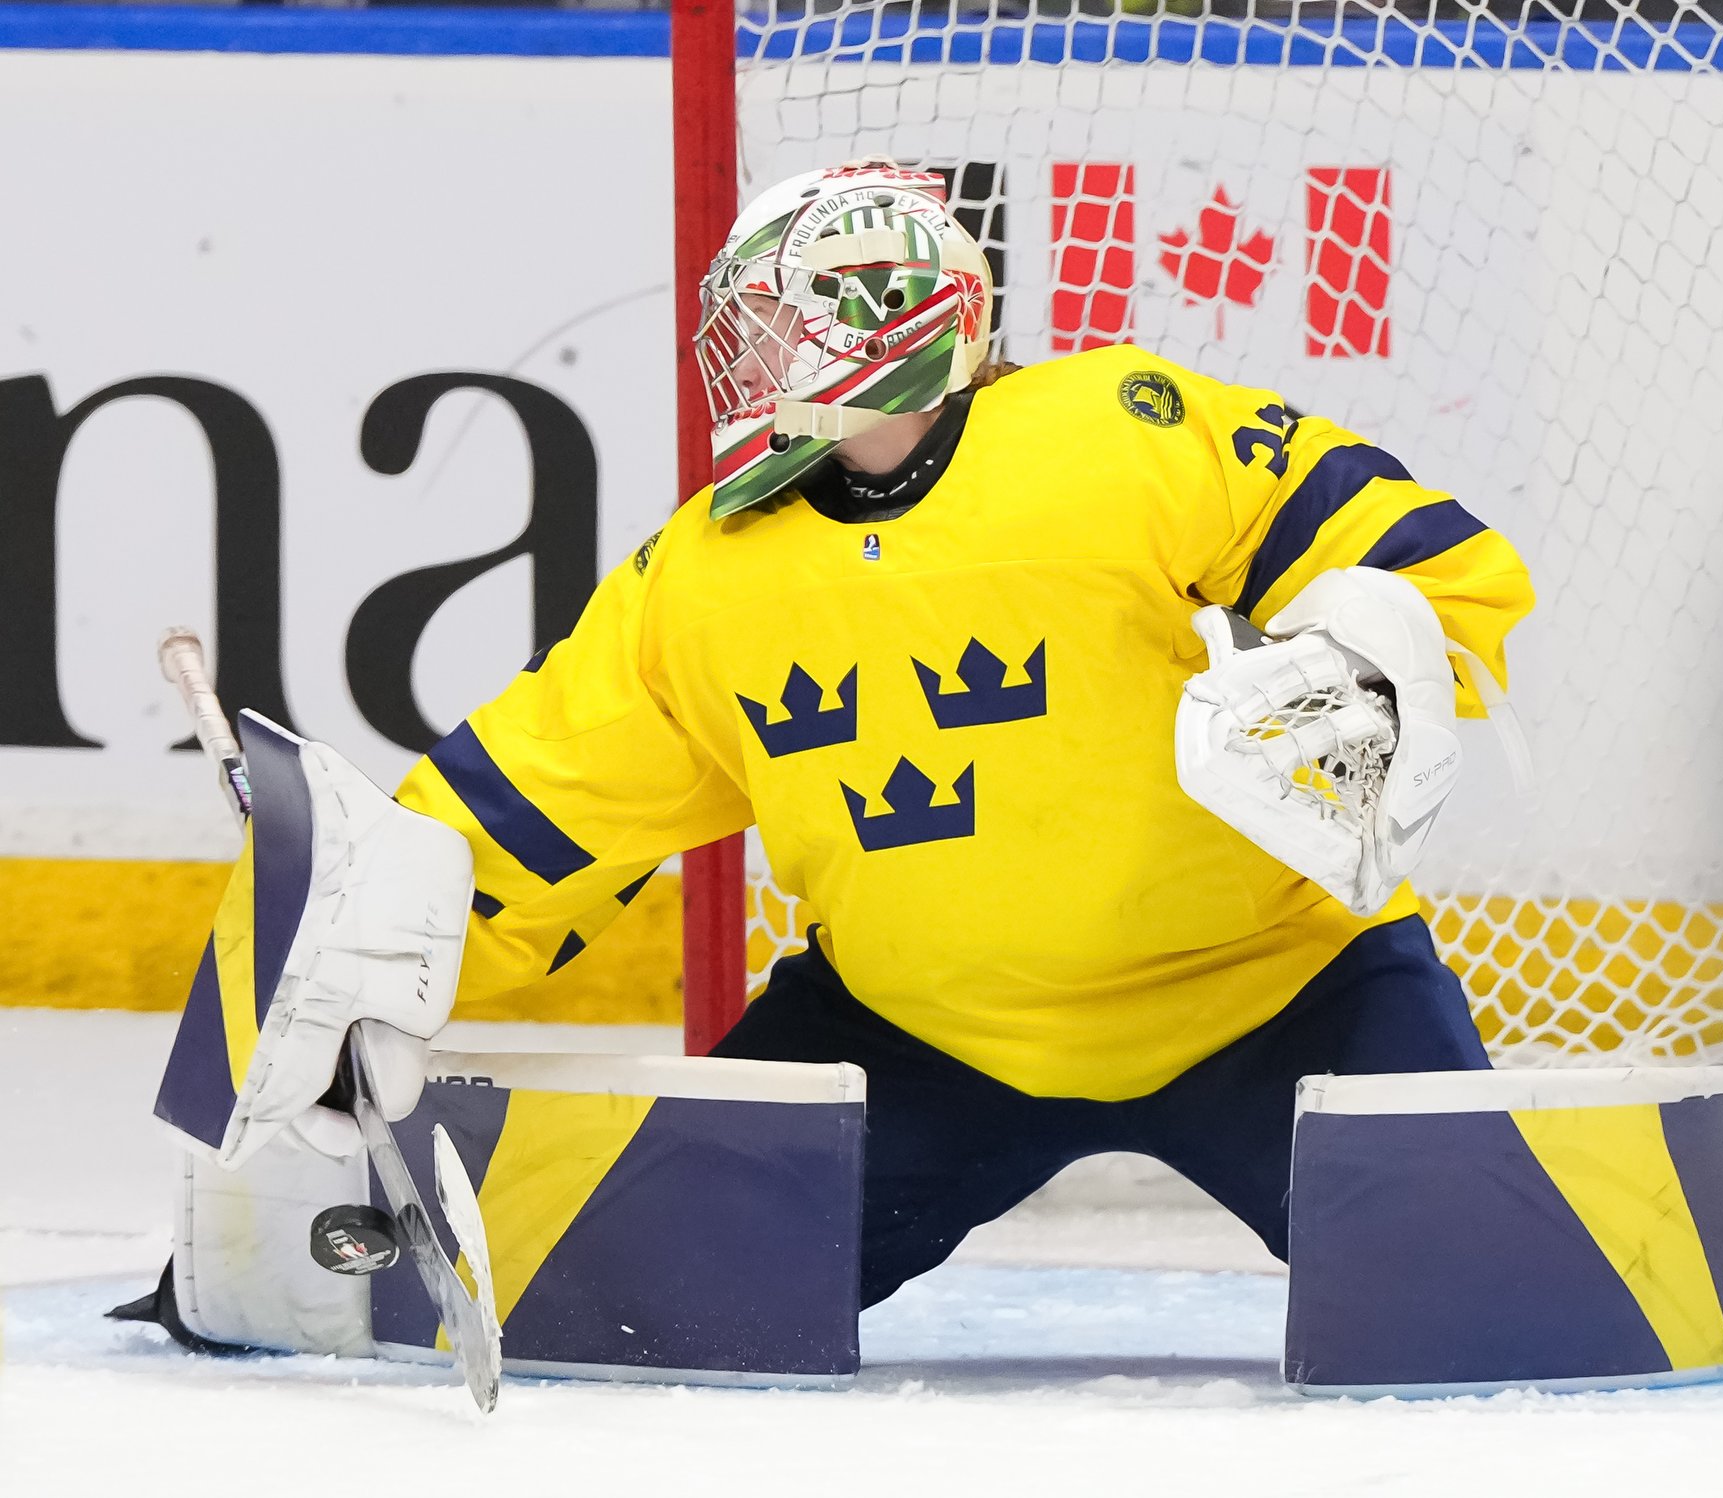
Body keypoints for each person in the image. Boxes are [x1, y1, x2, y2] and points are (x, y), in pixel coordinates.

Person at [253, 158, 1535, 1310]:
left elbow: (1433, 565)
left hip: (1286, 995)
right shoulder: (707, 570)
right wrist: (369, 958)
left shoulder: (1118, 432)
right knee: (643, 1297)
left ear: (895, 311)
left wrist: (1364, 652)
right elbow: (541, 801)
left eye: (776, 318)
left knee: (1494, 1301)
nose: (745, 354)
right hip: (911, 1034)